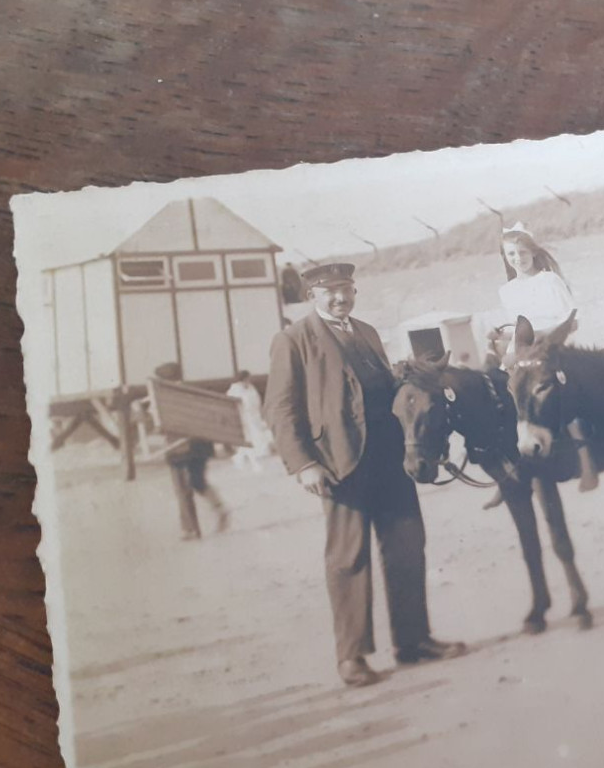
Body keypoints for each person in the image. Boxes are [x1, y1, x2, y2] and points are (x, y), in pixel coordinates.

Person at [265, 262, 465, 688]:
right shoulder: (293, 340)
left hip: (391, 459)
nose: (340, 298)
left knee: (408, 547)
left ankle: (413, 641)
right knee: (348, 558)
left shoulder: (369, 333)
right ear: (312, 297)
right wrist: (303, 464)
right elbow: (280, 409)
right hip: (340, 464)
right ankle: (351, 656)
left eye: (346, 289)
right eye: (329, 292)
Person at [496, 225, 597, 491]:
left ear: (533, 252)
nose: (518, 258)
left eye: (522, 252)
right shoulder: (506, 291)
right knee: (501, 391)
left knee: (561, 395)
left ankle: (587, 464)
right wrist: (502, 335)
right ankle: (511, 469)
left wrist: (539, 335)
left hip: (553, 346)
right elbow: (517, 329)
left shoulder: (549, 280)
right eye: (511, 254)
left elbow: (570, 323)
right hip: (523, 351)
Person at [152, 362, 230, 542]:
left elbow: (159, 426)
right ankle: (219, 508)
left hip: (178, 447)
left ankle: (190, 529)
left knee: (181, 488)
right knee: (198, 482)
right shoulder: (193, 392)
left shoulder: (165, 397)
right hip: (200, 445)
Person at [226, 370, 275, 471]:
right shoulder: (234, 389)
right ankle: (244, 455)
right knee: (247, 436)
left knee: (257, 433)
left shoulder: (251, 387)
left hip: (254, 415)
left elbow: (257, 401)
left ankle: (257, 452)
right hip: (243, 416)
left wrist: (260, 413)